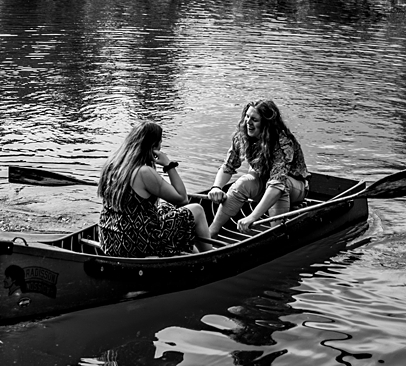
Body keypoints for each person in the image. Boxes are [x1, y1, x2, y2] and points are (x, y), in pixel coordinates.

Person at [97, 121, 210, 256]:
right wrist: (168, 165)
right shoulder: (143, 172)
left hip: (109, 240)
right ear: (153, 146)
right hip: (135, 242)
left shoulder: (111, 164)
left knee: (167, 208)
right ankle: (212, 257)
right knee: (196, 210)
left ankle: (192, 253)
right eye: (160, 143)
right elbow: (182, 198)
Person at [207, 99, 309, 234]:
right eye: (247, 116)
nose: (248, 122)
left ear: (266, 124)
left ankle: (275, 235)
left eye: (254, 119)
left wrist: (252, 217)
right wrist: (216, 187)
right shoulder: (242, 136)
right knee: (243, 182)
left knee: (280, 187)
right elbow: (228, 166)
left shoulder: (282, 142)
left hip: (295, 187)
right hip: (265, 183)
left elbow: (276, 184)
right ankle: (212, 231)